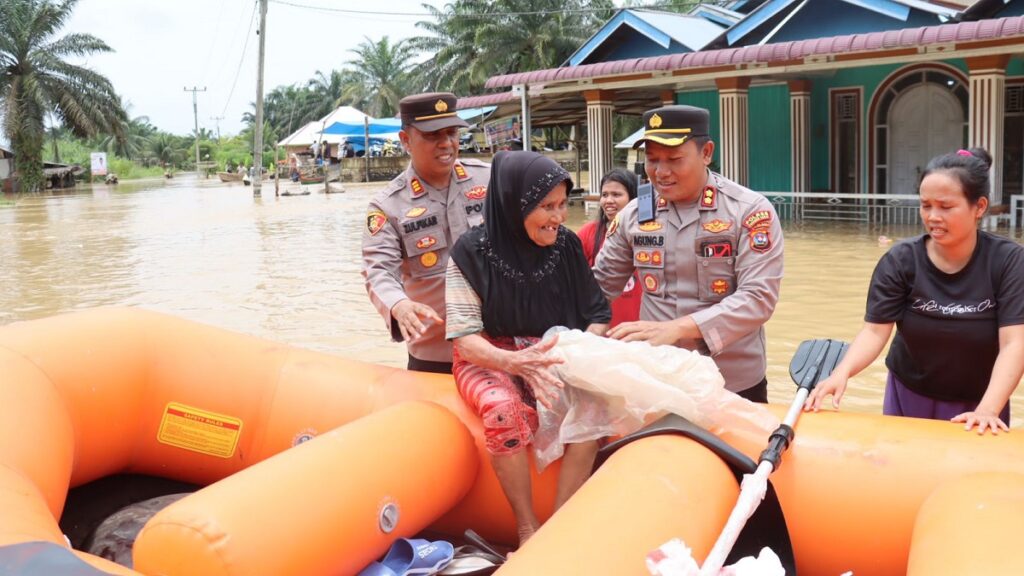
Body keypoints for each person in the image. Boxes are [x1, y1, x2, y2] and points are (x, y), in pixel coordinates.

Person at [446, 151, 611, 547]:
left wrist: (577, 350)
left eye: (562, 205)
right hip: (489, 353)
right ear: (512, 203)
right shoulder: (469, 253)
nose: (559, 218)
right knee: (503, 411)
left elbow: (599, 314)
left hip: (551, 348)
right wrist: (515, 362)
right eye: (547, 207)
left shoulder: (567, 246)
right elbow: (465, 339)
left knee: (592, 406)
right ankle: (526, 527)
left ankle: (561, 524)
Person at [806, 148, 1024, 434]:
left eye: (945, 207)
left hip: (981, 400)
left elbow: (1014, 343)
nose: (933, 216)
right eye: (925, 205)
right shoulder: (901, 261)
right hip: (909, 393)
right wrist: (841, 373)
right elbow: (875, 331)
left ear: (979, 207)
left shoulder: (1008, 261)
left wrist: (988, 409)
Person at [593, 105, 784, 401]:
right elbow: (600, 287)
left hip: (730, 381)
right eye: (653, 160)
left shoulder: (748, 211)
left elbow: (758, 298)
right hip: (658, 376)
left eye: (674, 159)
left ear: (706, 152)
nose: (661, 172)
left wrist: (677, 329)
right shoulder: (635, 214)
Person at [362, 92, 490, 374]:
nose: (446, 143)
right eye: (433, 135)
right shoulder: (388, 205)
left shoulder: (490, 179)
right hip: (435, 356)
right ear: (405, 140)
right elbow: (378, 271)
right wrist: (399, 305)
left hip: (497, 346)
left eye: (452, 133)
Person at [576, 169, 641, 327]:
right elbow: (574, 280)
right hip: (601, 328)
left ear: (633, 199)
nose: (608, 200)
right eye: (604, 195)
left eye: (616, 195)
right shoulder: (587, 233)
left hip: (640, 327)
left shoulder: (649, 234)